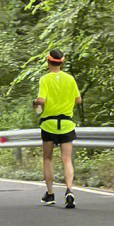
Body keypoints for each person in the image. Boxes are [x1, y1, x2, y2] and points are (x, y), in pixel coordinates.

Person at [33, 49, 81, 208]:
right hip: (67, 124)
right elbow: (78, 100)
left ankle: (50, 194)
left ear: (48, 61)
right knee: (67, 159)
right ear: (62, 62)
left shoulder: (45, 79)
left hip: (49, 124)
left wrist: (36, 103)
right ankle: (69, 190)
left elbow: (41, 99)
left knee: (48, 158)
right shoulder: (70, 79)